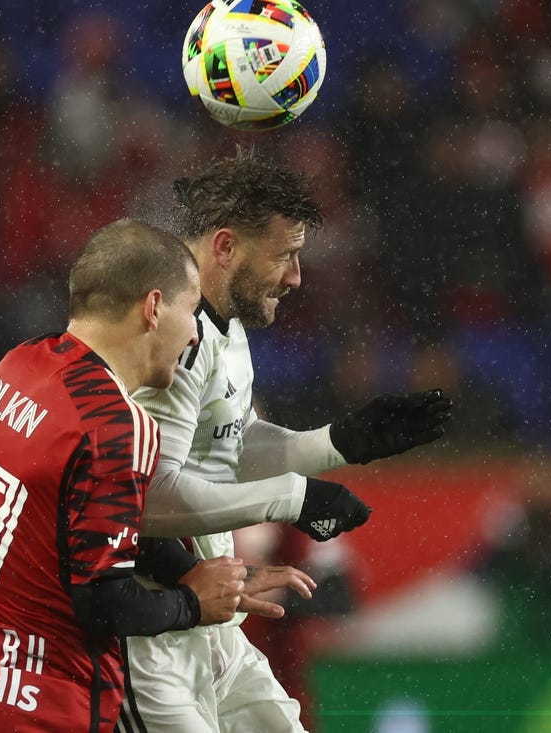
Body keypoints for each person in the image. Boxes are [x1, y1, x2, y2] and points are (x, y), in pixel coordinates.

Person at [0, 219, 316, 733]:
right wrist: (192, 604)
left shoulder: (11, 369)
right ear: (152, 309)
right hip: (23, 707)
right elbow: (102, 600)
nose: (194, 333)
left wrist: (198, 573)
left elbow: (64, 530)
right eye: (190, 311)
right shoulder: (115, 425)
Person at [121, 148, 454, 733]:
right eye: (285, 256)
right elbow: (147, 498)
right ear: (225, 247)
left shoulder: (228, 330)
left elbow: (229, 444)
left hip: (214, 623)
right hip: (151, 632)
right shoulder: (175, 338)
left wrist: (338, 443)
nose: (297, 277)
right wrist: (292, 498)